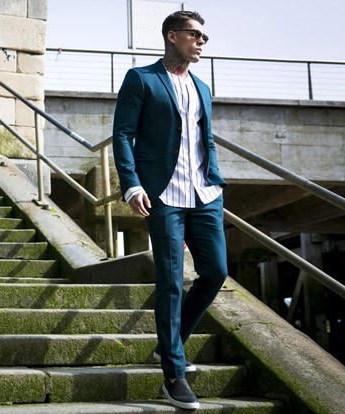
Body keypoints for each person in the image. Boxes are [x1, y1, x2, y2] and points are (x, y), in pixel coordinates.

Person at [112, 10, 228, 410]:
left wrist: (215, 178)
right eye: (195, 35)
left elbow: (205, 139)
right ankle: (174, 374)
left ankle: (169, 345)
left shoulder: (202, 87)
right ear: (172, 36)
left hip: (205, 194)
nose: (201, 42)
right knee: (171, 281)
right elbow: (123, 134)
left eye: (204, 37)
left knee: (215, 272)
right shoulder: (141, 79)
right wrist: (131, 184)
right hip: (164, 196)